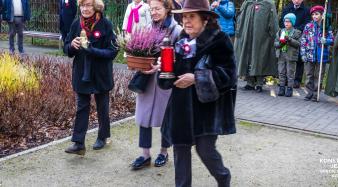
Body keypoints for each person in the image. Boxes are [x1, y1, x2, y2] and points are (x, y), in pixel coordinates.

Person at [159, 0, 237, 186]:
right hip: (180, 108)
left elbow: (229, 75)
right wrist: (163, 69)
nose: (186, 21)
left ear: (205, 19)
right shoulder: (180, 40)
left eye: (191, 16)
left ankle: (223, 176)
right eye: (184, 16)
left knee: (205, 151)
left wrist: (196, 78)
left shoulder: (219, 40)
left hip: (207, 110)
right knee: (180, 151)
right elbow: (168, 80)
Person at [130, 0, 182, 170]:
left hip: (165, 82)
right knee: (144, 118)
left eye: (157, 8)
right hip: (146, 79)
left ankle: (164, 152)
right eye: (151, 9)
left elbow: (181, 60)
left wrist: (163, 65)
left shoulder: (177, 31)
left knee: (166, 119)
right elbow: (139, 50)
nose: (153, 12)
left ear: (167, 9)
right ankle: (145, 155)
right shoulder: (147, 28)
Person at [64, 0, 118, 155]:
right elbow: (66, 48)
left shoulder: (105, 24)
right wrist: (71, 46)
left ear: (96, 7)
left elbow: (112, 52)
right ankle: (78, 143)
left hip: (100, 73)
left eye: (88, 5)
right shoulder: (76, 24)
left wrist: (92, 50)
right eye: (82, 6)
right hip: (82, 74)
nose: (85, 9)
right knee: (82, 106)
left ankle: (103, 136)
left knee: (102, 107)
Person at [234, 0, 278, 93]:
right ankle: (250, 83)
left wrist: (274, 35)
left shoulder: (268, 3)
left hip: (262, 37)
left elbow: (273, 21)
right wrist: (239, 31)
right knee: (248, 58)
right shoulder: (247, 3)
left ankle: (259, 83)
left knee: (259, 58)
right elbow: (240, 18)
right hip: (247, 36)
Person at [300, 5, 334, 101]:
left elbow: (332, 40)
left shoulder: (326, 27)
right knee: (309, 74)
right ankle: (309, 92)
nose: (314, 16)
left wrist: (326, 40)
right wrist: (303, 53)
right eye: (313, 14)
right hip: (309, 55)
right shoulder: (308, 26)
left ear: (322, 15)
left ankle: (316, 93)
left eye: (317, 14)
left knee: (318, 75)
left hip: (321, 55)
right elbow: (303, 40)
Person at [280, 0, 311, 88]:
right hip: (286, 35)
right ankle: (285, 79)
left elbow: (306, 24)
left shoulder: (306, 10)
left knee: (298, 58)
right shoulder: (287, 9)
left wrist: (295, 31)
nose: (297, 0)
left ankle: (297, 80)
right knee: (286, 57)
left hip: (299, 36)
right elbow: (282, 22)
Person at [274, 13, 302, 97]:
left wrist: (289, 40)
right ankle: (282, 88)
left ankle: (289, 88)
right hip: (281, 54)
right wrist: (280, 43)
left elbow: (298, 44)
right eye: (285, 21)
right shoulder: (280, 31)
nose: (286, 23)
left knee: (290, 73)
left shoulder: (297, 32)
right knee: (281, 72)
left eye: (289, 22)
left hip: (291, 55)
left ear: (292, 23)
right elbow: (275, 43)